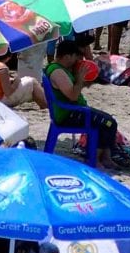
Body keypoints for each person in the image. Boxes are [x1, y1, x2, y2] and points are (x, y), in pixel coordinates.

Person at [44, 39, 116, 169]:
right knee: (108, 123)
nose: (77, 60)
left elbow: (74, 90)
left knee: (109, 121)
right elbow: (73, 96)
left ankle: (105, 157)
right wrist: (79, 79)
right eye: (75, 57)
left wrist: (85, 80)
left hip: (75, 111)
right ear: (67, 56)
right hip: (69, 115)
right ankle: (94, 159)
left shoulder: (63, 69)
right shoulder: (57, 72)